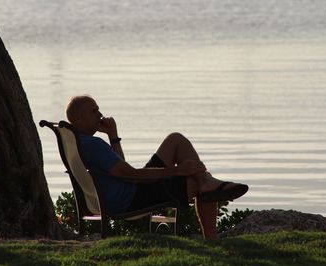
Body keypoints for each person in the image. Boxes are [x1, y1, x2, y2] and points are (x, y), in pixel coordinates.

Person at [66, 95, 248, 239]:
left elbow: (120, 167)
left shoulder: (80, 142)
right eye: (94, 111)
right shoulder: (93, 145)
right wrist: (177, 171)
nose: (100, 115)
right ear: (79, 118)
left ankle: (205, 180)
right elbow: (130, 174)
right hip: (130, 198)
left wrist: (113, 136)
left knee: (175, 140)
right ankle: (211, 235)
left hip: (126, 189)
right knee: (194, 184)